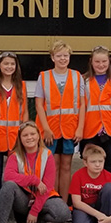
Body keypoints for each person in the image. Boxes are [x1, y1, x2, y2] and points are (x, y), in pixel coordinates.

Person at [0, 122, 71, 223]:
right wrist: (34, 180)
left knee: (63, 213)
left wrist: (35, 211)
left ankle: (40, 219)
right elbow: (8, 176)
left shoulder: (47, 155)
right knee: (8, 186)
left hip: (43, 197)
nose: (29, 137)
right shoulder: (15, 155)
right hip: (23, 199)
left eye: (32, 134)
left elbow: (48, 186)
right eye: (25, 135)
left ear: (38, 136)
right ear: (20, 138)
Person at [36, 40, 85, 202]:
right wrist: (46, 128)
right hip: (50, 131)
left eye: (65, 55)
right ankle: (52, 201)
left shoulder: (77, 76)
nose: (62, 59)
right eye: (59, 56)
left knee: (66, 167)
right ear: (52, 57)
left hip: (70, 129)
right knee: (52, 167)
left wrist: (80, 129)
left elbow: (82, 104)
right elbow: (39, 105)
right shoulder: (43, 76)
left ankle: (64, 203)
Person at [0, 52, 28, 187]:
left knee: (14, 173)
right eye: (6, 63)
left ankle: (11, 202)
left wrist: (24, 134)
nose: (9, 66)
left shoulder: (22, 85)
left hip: (15, 138)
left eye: (12, 64)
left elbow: (25, 112)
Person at [70, 143, 111, 223]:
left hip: (102, 207)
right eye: (93, 162)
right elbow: (76, 202)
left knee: (110, 188)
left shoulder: (109, 176)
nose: (97, 164)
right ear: (85, 163)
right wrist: (97, 215)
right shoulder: (78, 175)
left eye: (100, 161)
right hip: (85, 208)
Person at [81, 46, 111, 175]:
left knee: (110, 166)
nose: (101, 65)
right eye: (97, 61)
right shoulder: (83, 80)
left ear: (109, 61)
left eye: (104, 61)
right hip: (90, 130)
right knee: (91, 167)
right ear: (91, 61)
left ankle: (110, 194)